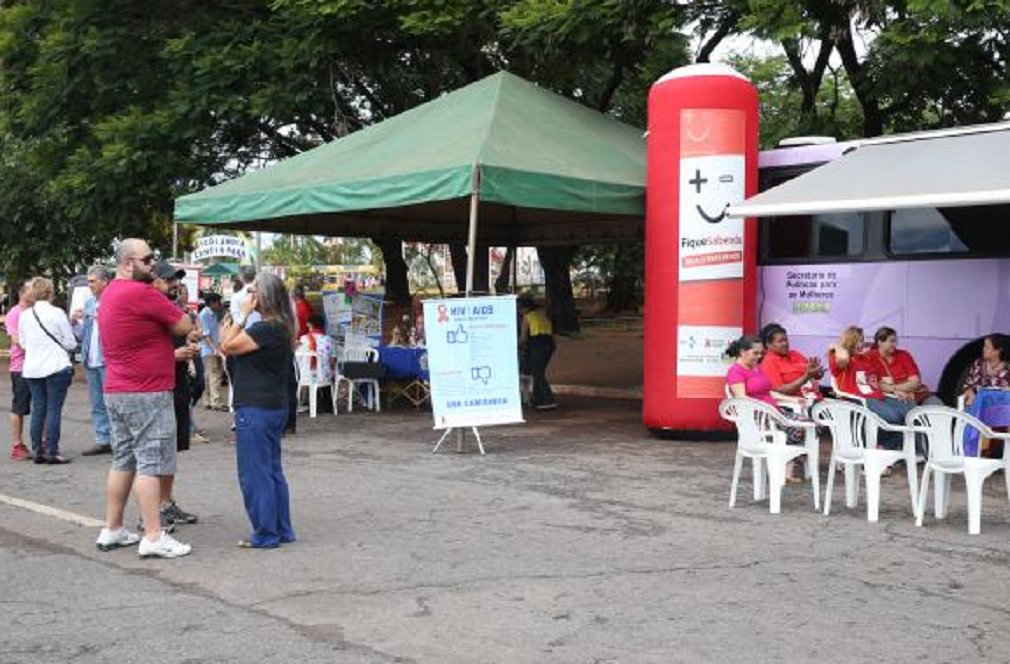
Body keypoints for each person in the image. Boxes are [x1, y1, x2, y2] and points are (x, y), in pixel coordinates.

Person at [96, 239, 194, 559]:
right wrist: (167, 295)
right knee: (150, 461)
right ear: (127, 263)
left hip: (118, 388)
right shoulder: (142, 293)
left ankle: (112, 528)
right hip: (146, 390)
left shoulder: (111, 291)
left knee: (123, 458)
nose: (153, 265)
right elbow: (183, 323)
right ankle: (153, 535)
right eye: (148, 259)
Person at [220, 272, 297, 549]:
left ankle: (266, 533)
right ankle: (281, 528)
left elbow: (227, 345)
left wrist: (241, 316)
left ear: (263, 297)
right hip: (271, 405)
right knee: (271, 469)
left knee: (255, 473)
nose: (248, 297)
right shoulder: (281, 327)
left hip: (256, 407)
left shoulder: (266, 329)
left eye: (253, 292)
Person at [150, 261, 201, 530]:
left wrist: (189, 343)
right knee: (156, 449)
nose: (175, 284)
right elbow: (140, 353)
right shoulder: (148, 310)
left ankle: (166, 502)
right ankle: (151, 512)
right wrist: (173, 355)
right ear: (154, 280)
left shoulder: (174, 310)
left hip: (178, 382)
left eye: (177, 280)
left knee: (171, 448)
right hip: (158, 386)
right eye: (169, 279)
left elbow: (183, 335)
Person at [725, 334, 809, 480]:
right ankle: (785, 466)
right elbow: (742, 399)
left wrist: (792, 400)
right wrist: (766, 410)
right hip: (759, 416)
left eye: (761, 353)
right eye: (755, 353)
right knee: (798, 427)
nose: (759, 357)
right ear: (743, 352)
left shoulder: (757, 368)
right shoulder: (736, 371)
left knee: (809, 424)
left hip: (773, 411)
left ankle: (789, 467)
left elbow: (768, 392)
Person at [18, 277, 76, 465]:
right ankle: (52, 450)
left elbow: (23, 344)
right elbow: (70, 343)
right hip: (56, 366)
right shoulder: (57, 313)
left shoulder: (25, 315)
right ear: (50, 293)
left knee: (38, 409)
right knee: (53, 409)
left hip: (33, 368)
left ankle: (37, 450)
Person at [827, 325, 914, 450]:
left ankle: (883, 447)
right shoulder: (839, 357)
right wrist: (837, 346)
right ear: (850, 342)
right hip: (859, 400)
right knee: (894, 418)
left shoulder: (865, 359)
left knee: (911, 412)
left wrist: (895, 390)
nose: (862, 344)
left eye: (862, 340)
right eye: (858, 340)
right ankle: (879, 448)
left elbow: (875, 381)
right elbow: (843, 359)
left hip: (877, 397)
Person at [71, 266, 114, 456]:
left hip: (108, 359)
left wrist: (100, 317)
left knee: (112, 402)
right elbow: (82, 334)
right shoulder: (88, 303)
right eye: (89, 281)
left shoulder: (113, 302)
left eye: (92, 281)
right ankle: (102, 439)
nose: (89, 285)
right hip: (91, 358)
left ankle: (117, 439)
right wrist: (73, 322)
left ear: (105, 282)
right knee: (97, 403)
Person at [866, 327, 938, 405]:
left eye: (896, 341)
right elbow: (874, 384)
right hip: (893, 398)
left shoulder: (904, 355)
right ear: (880, 342)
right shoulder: (869, 357)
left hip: (918, 394)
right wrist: (895, 391)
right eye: (892, 341)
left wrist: (893, 388)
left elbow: (915, 382)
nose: (895, 344)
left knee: (938, 406)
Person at [759, 323, 823, 403]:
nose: (785, 343)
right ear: (768, 345)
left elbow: (815, 375)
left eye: (786, 340)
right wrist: (806, 377)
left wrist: (817, 372)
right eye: (780, 341)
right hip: (797, 403)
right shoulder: (768, 363)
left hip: (815, 397)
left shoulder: (794, 354)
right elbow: (782, 390)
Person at [5, 280, 34, 460]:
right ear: (22, 293)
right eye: (32, 290)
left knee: (42, 405)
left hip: (37, 366)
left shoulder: (35, 311)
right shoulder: (15, 313)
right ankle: (17, 444)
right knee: (20, 407)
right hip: (20, 367)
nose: (35, 294)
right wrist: (38, 350)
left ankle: (45, 442)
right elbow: (16, 340)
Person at [518, 295, 557, 410]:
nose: (519, 311)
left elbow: (524, 338)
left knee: (538, 373)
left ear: (525, 308)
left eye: (520, 308)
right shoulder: (541, 315)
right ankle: (538, 399)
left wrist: (517, 345)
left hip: (537, 345)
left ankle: (548, 400)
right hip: (549, 344)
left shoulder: (527, 317)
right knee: (538, 371)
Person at [961, 333, 1010, 407]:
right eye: (984, 346)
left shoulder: (1007, 369)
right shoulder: (978, 364)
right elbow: (967, 385)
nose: (983, 349)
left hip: (998, 409)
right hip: (976, 408)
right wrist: (969, 392)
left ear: (997, 351)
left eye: (987, 347)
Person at [198, 293, 227, 411]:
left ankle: (208, 401)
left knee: (209, 375)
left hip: (211, 349)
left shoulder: (212, 314)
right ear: (212, 303)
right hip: (209, 350)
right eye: (218, 302)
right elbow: (206, 334)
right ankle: (216, 402)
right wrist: (214, 349)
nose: (220, 305)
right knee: (215, 375)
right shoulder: (205, 314)